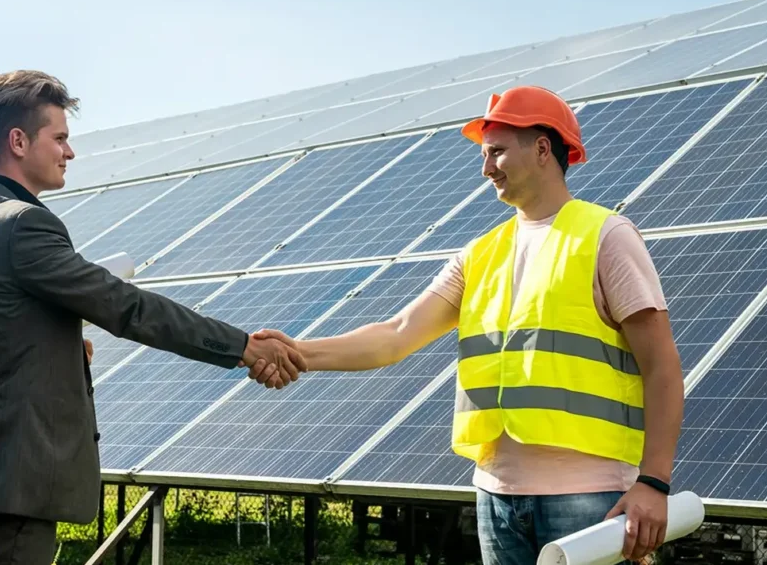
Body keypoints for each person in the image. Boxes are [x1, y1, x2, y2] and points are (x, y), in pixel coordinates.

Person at [252, 86, 684, 565]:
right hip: (494, 497)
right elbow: (397, 335)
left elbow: (662, 366)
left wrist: (653, 482)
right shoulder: (479, 254)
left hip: (587, 499)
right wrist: (298, 352)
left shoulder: (606, 236)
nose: (486, 168)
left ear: (543, 148)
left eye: (497, 152)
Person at [0, 70, 305, 565]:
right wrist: (244, 346)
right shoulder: (23, 225)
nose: (69, 153)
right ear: (18, 141)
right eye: (59, 138)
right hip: (8, 484)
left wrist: (55, 346)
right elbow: (128, 307)